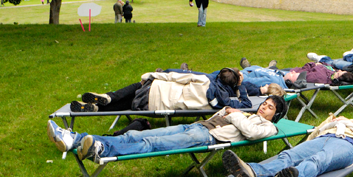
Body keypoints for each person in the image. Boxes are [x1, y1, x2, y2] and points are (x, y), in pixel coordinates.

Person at [48, 95, 288, 162]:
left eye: (268, 108)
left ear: (274, 115)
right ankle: (73, 138)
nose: (263, 108)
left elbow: (251, 133)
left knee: (150, 144)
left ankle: (102, 149)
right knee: (137, 133)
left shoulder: (267, 127)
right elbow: (223, 116)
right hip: (195, 127)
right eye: (264, 105)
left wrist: (234, 114)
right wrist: (227, 112)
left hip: (205, 136)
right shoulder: (248, 114)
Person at [221, 114, 353, 177]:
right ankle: (254, 173)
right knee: (289, 155)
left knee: (318, 160)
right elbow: (317, 131)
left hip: (350, 144)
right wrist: (332, 121)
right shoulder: (346, 120)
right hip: (322, 137)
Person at [69, 67, 253, 114]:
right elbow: (245, 104)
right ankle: (99, 108)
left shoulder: (203, 79)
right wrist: (239, 87)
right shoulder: (220, 103)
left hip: (158, 89)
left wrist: (150, 74)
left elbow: (174, 75)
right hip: (154, 105)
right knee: (127, 104)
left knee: (138, 86)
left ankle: (108, 97)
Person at [238, 59, 353, 91]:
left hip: (293, 74)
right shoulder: (331, 72)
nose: (337, 70)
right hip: (294, 72)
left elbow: (304, 72)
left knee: (271, 73)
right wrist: (318, 65)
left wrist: (314, 64)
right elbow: (325, 64)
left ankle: (254, 68)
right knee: (271, 72)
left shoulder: (319, 77)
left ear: (337, 78)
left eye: (339, 72)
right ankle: (268, 68)